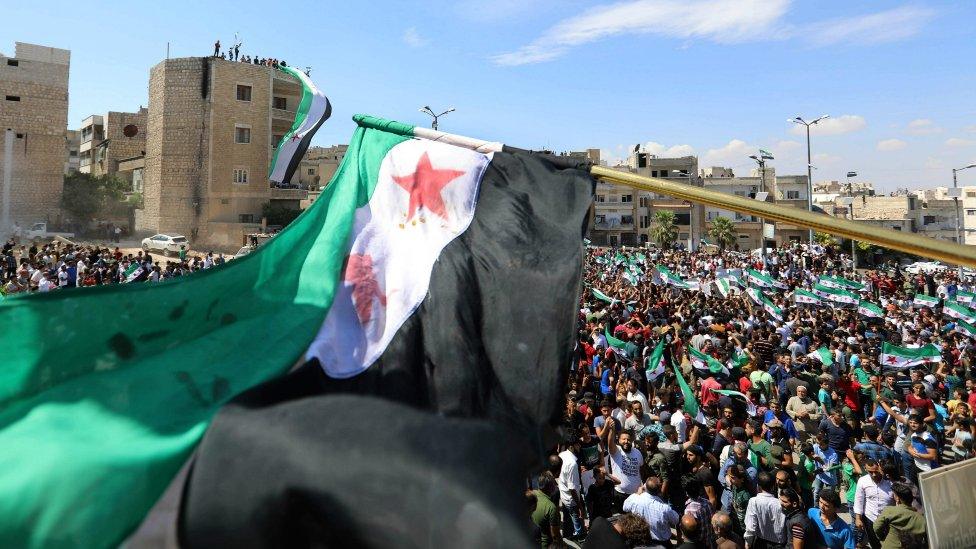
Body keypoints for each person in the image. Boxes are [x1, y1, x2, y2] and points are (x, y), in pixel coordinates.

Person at [623, 477, 679, 547]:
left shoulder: (634, 499)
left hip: (642, 541)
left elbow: (625, 507)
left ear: (645, 486)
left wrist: (637, 493)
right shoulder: (664, 508)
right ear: (659, 490)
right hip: (662, 543)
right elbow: (676, 520)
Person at [853, 458, 894, 549]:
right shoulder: (862, 481)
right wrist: (858, 518)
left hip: (889, 519)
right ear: (865, 469)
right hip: (870, 518)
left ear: (879, 467)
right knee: (874, 542)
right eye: (870, 472)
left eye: (876, 471)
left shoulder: (890, 481)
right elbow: (859, 500)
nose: (874, 474)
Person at [872, 482, 927, 549]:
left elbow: (876, 526)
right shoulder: (922, 519)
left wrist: (882, 539)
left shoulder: (890, 511)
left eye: (894, 495)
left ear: (897, 498)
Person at [606, 422, 643, 512]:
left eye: (628, 439)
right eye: (624, 439)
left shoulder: (637, 452)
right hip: (620, 493)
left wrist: (642, 486)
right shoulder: (616, 451)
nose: (626, 441)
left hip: (636, 494)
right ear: (619, 440)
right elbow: (610, 443)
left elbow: (641, 469)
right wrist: (611, 430)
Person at [744, 472, 785, 549]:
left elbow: (751, 527)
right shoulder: (781, 503)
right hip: (779, 545)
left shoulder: (754, 501)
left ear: (758, 487)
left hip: (761, 543)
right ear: (773, 487)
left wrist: (747, 544)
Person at [556, 433, 584, 540]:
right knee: (578, 526)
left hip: (564, 496)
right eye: (578, 445)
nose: (580, 447)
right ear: (571, 446)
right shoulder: (572, 464)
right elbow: (572, 488)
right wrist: (580, 505)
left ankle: (567, 538)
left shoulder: (562, 455)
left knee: (567, 522)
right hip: (572, 500)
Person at [529, 474, 562, 549]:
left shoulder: (532, 494)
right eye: (554, 484)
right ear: (550, 487)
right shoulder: (551, 507)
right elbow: (555, 535)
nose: (555, 486)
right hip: (547, 545)